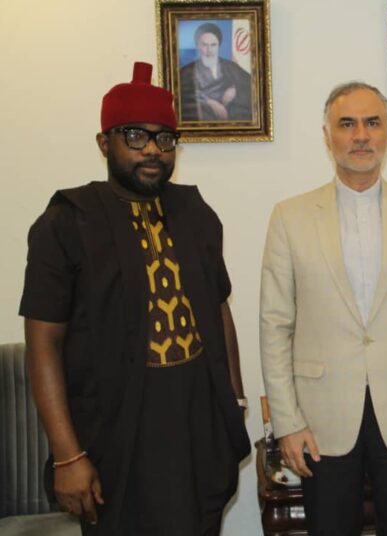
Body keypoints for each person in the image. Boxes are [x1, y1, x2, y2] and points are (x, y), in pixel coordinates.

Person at [19, 61, 251, 535]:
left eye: (164, 139)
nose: (151, 149)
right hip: (116, 432)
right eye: (134, 136)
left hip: (195, 426)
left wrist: (236, 402)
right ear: (104, 143)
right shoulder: (66, 222)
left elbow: (218, 309)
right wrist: (68, 454)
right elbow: (44, 342)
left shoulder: (196, 213)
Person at [260, 81, 387, 535]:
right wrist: (288, 422)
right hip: (321, 416)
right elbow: (275, 327)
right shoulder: (289, 217)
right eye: (347, 124)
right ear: (327, 135)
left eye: (372, 123)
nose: (360, 136)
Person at [179, 22, 252, 122]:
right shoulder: (186, 71)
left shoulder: (230, 66)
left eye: (213, 45)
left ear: (218, 46)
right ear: (198, 46)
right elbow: (183, 94)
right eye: (204, 45)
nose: (209, 50)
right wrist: (210, 102)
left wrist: (235, 89)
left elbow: (252, 84)